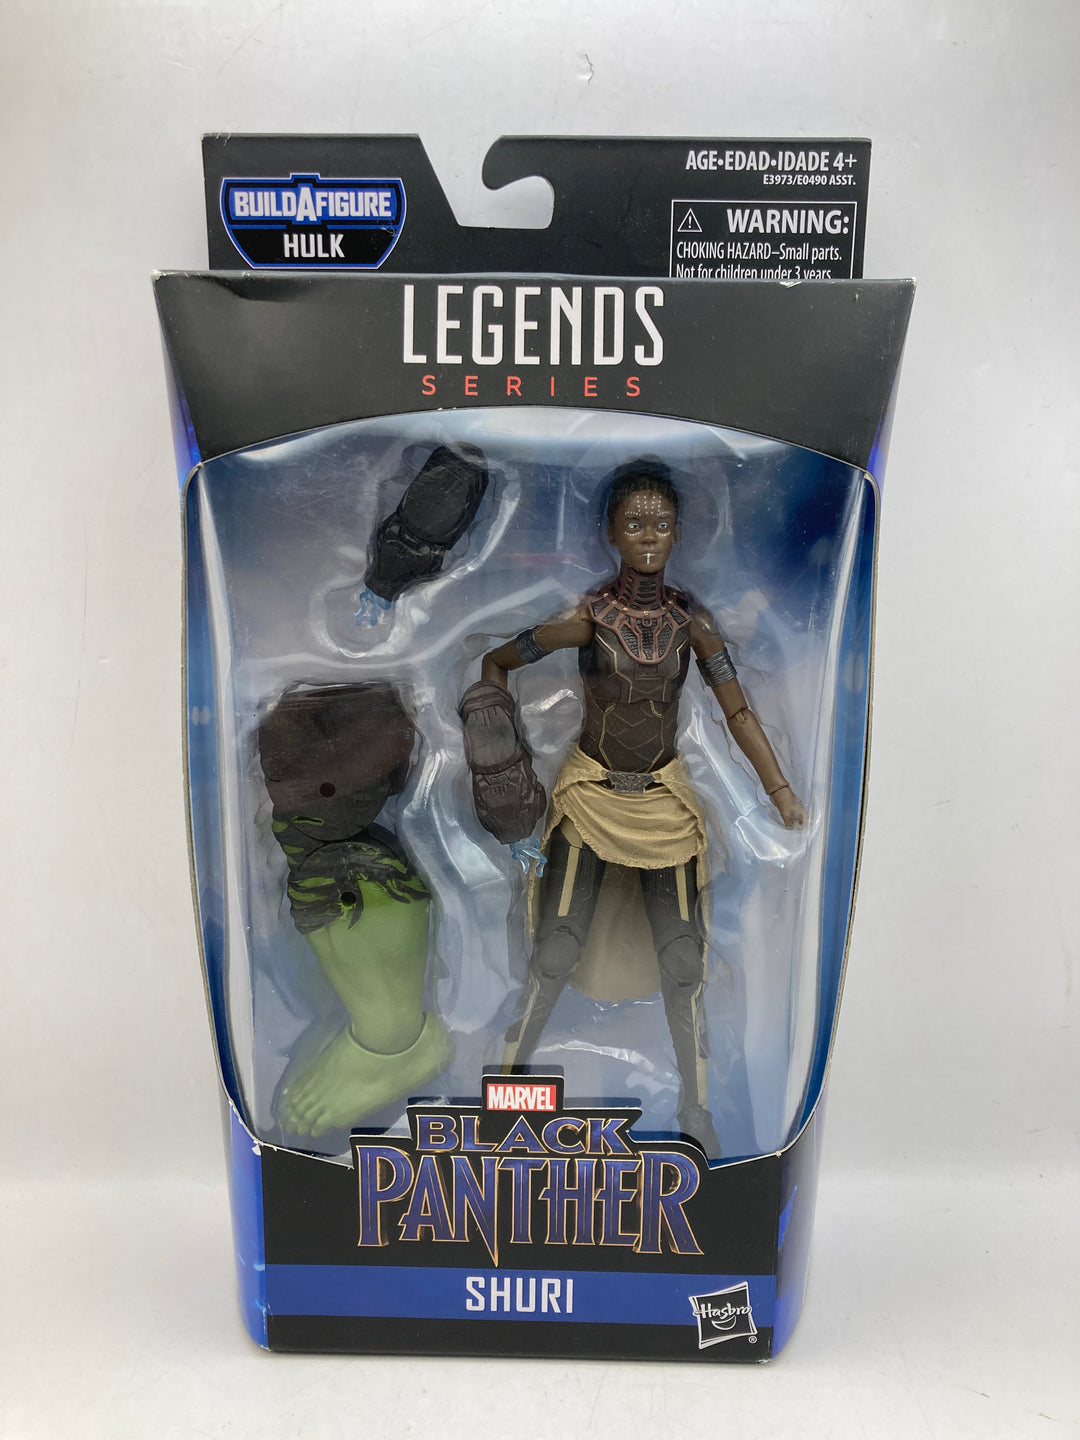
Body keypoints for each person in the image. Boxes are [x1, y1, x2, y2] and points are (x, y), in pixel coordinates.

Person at [460, 460, 806, 1157]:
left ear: (677, 533)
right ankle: (506, 1092)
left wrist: (779, 792)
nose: (649, 535)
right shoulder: (586, 620)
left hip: (663, 803)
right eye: (635, 523)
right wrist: (497, 754)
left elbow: (737, 711)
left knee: (684, 962)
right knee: (555, 950)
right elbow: (496, 663)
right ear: (612, 532)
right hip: (590, 797)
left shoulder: (691, 624)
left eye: (662, 524)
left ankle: (695, 1112)